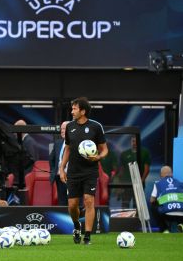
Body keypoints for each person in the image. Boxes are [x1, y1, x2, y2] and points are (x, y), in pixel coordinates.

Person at [59, 97, 108, 245]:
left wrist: (98, 157)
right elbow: (67, 149)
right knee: (72, 205)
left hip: (90, 172)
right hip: (73, 172)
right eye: (72, 108)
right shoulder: (69, 127)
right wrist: (62, 168)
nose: (71, 111)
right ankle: (76, 226)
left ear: (83, 111)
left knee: (88, 200)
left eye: (74, 109)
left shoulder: (95, 127)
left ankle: (87, 236)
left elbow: (105, 149)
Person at [119, 136, 152, 208]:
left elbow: (147, 169)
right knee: (124, 205)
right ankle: (125, 219)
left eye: (136, 141)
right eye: (133, 141)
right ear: (131, 142)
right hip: (126, 184)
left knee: (137, 206)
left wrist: (141, 182)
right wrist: (120, 185)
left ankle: (137, 219)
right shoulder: (124, 154)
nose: (134, 143)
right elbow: (121, 170)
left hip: (139, 185)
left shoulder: (144, 152)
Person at [150, 166, 183, 233]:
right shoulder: (180, 183)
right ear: (171, 174)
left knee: (153, 206)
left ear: (161, 175)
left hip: (167, 213)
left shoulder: (158, 184)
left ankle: (164, 229)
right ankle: (180, 225)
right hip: (181, 212)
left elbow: (151, 200)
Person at [50, 121, 69, 206]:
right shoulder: (57, 143)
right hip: (59, 178)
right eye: (61, 129)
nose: (62, 131)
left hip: (72, 178)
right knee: (62, 202)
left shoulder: (76, 143)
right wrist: (54, 171)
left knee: (73, 201)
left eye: (64, 129)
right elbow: (52, 159)